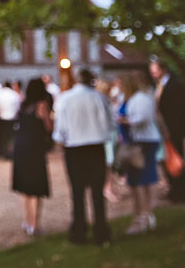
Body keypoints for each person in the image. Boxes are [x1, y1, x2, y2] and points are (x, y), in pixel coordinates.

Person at [53, 69, 112, 246]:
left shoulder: (65, 98)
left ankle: (79, 232)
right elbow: (109, 125)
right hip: (95, 148)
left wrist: (62, 142)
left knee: (77, 193)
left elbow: (59, 130)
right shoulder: (99, 98)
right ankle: (101, 232)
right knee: (97, 193)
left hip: (75, 150)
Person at [118, 70, 162, 234]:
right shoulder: (131, 98)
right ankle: (142, 214)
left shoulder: (141, 99)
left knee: (143, 178)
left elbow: (142, 119)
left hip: (143, 142)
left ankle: (144, 215)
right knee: (136, 180)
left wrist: (124, 120)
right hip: (135, 141)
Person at [12, 79, 53, 236]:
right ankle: (35, 224)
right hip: (35, 148)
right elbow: (48, 126)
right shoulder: (41, 105)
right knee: (36, 186)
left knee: (25, 188)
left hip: (21, 148)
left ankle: (27, 221)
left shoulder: (23, 105)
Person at [149, 60, 185, 203]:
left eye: (154, 70)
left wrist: (171, 130)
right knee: (168, 159)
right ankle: (173, 189)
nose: (152, 73)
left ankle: (181, 193)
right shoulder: (159, 85)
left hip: (174, 129)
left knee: (178, 158)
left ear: (163, 69)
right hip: (164, 130)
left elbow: (179, 110)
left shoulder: (175, 84)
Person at [94, 78, 121, 202]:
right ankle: (108, 188)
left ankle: (109, 187)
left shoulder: (106, 101)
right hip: (107, 136)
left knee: (110, 163)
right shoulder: (101, 102)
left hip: (111, 134)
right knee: (108, 164)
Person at [0, 81, 22, 158]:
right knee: (12, 137)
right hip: (12, 118)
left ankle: (3, 152)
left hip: (1, 118)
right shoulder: (14, 94)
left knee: (3, 136)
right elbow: (18, 107)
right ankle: (11, 152)